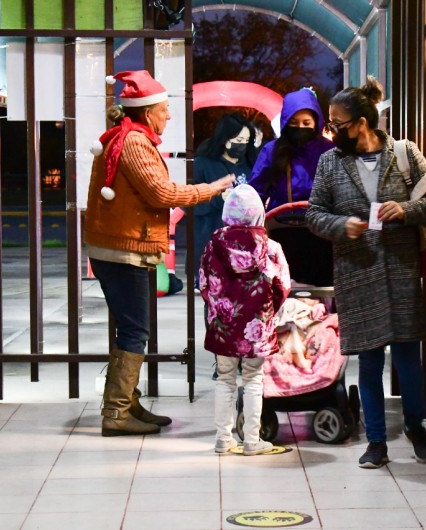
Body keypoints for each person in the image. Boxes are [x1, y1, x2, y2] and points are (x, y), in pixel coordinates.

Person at [306, 76, 426, 468]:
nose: (331, 131)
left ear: (362, 123)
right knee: (367, 361)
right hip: (356, 270)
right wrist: (341, 225)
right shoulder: (330, 163)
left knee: (407, 357)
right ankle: (377, 442)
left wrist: (405, 210)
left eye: (338, 124)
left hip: (400, 268)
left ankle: (417, 429)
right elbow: (314, 213)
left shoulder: (404, 153)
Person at [84, 70, 234, 437]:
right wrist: (211, 189)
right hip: (124, 251)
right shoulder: (135, 142)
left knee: (131, 328)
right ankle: (117, 412)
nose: (168, 116)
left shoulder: (130, 137)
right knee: (135, 331)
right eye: (165, 109)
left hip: (119, 247)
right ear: (147, 110)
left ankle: (126, 403)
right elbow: (161, 194)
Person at [199, 184, 291, 456]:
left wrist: (218, 307)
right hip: (257, 326)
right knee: (253, 378)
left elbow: (204, 284)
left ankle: (222, 438)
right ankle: (252, 440)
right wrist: (266, 311)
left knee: (224, 378)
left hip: (223, 325)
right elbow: (282, 286)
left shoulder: (213, 244)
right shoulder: (271, 247)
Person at [190, 113, 254, 288]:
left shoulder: (250, 166)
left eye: (246, 141)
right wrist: (219, 200)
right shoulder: (203, 164)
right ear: (225, 138)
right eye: (238, 139)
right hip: (211, 243)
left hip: (243, 247)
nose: (242, 145)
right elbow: (190, 205)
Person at [248, 88, 334, 210]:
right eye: (294, 123)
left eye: (306, 123)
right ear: (285, 122)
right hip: (280, 223)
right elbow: (255, 193)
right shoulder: (272, 150)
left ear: (316, 123)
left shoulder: (329, 150)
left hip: (322, 225)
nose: (300, 127)